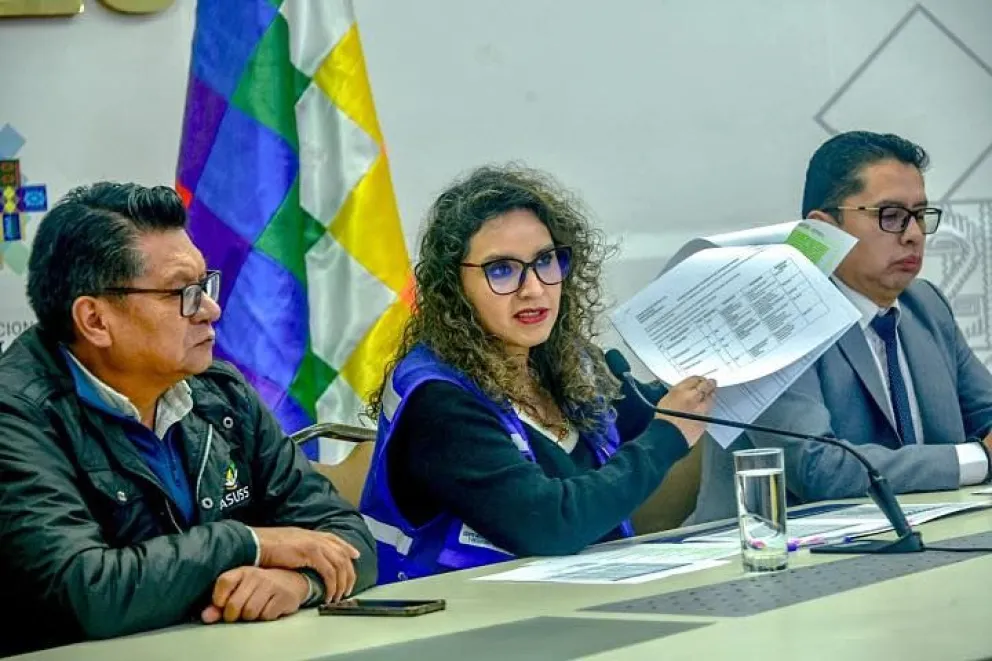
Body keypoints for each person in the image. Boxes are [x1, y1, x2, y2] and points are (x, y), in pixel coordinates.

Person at [0, 183, 377, 655]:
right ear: (95, 320)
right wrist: (247, 544)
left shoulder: (219, 392)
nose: (210, 310)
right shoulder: (16, 414)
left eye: (205, 286)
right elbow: (85, 591)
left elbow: (347, 535)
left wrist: (299, 582)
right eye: (182, 293)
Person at [360, 165, 715, 584]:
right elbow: (551, 524)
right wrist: (669, 436)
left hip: (579, 606)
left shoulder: (564, 362)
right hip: (456, 626)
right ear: (453, 287)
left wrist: (721, 370)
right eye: (501, 270)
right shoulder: (436, 400)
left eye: (546, 261)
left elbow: (645, 412)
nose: (533, 289)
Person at [689, 131, 992, 523]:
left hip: (916, 537)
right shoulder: (767, 321)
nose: (914, 235)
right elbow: (819, 470)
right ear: (823, 228)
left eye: (919, 215)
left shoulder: (926, 305)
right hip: (768, 558)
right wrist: (976, 458)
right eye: (891, 216)